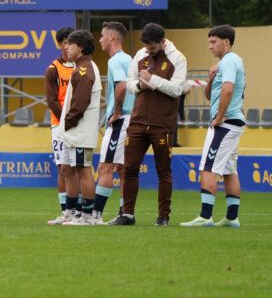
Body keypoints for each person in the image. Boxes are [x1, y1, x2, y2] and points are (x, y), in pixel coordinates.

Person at [110, 23, 186, 226]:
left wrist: (153, 80)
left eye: (152, 47)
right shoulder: (140, 55)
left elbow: (177, 89)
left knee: (163, 170)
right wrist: (140, 85)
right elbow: (130, 83)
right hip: (137, 121)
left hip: (162, 123)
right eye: (147, 47)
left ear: (162, 41)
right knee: (129, 168)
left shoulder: (177, 58)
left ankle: (163, 216)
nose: (149, 51)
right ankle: (127, 214)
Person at [181, 25, 246, 228]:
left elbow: (227, 90)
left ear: (226, 42)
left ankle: (205, 216)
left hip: (225, 123)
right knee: (228, 170)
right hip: (232, 122)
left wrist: (218, 118)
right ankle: (232, 218)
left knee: (208, 168)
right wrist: (210, 79)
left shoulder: (230, 61)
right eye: (209, 42)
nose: (209, 46)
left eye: (213, 41)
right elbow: (211, 95)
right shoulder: (227, 63)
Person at [56, 30, 101, 225]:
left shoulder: (84, 70)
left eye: (71, 44)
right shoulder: (81, 67)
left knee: (83, 170)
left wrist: (68, 122)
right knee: (70, 169)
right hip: (74, 131)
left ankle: (89, 216)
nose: (66, 47)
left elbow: (81, 102)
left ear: (81, 47)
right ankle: (72, 213)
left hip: (80, 131)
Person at [94, 21, 135, 222]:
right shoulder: (131, 59)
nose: (100, 40)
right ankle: (125, 213)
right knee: (123, 168)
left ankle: (95, 215)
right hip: (132, 118)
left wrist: (116, 113)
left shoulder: (115, 61)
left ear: (112, 37)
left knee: (105, 167)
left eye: (102, 35)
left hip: (121, 119)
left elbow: (121, 86)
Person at [44, 27, 79, 225]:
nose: (68, 47)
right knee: (63, 168)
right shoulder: (53, 69)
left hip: (80, 123)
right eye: (65, 42)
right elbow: (52, 100)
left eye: (71, 43)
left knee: (79, 167)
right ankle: (66, 211)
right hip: (60, 124)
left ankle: (80, 210)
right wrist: (67, 120)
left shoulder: (82, 66)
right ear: (60, 44)